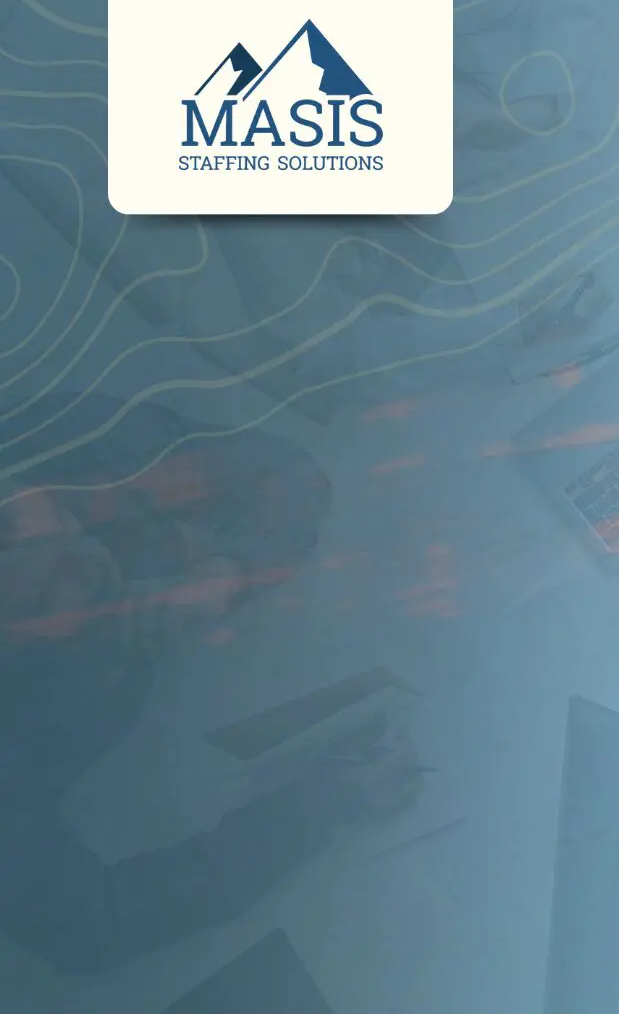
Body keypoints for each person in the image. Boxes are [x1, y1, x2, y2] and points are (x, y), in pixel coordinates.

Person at [0, 392, 421, 975]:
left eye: (53, 527)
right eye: (53, 602)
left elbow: (284, 473)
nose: (88, 559)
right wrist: (321, 803)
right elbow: (91, 923)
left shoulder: (61, 446)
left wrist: (224, 573)